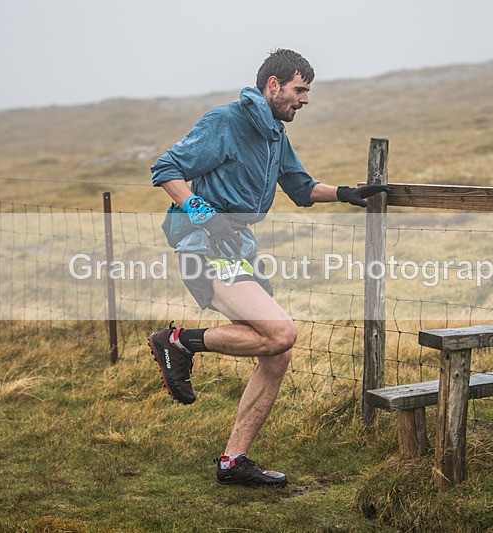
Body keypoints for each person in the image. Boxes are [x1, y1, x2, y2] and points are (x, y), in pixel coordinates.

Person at [148, 49, 390, 488]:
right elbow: (167, 169)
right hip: (203, 242)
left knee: (278, 354)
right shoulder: (225, 122)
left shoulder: (274, 134)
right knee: (282, 333)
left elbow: (299, 186)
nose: (306, 100)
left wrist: (349, 194)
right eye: (300, 90)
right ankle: (177, 342)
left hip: (238, 246)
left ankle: (233, 461)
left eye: (308, 92)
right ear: (273, 86)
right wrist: (204, 213)